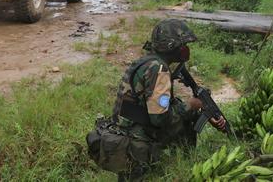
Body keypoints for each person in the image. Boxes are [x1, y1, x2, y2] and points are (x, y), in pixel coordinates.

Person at [87, 19, 226, 181]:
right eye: (182, 45)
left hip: (126, 127)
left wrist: (204, 113)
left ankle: (178, 162)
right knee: (186, 114)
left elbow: (161, 103)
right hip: (134, 139)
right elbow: (160, 119)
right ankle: (181, 162)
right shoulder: (159, 70)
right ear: (171, 47)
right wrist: (191, 105)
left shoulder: (149, 62)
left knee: (186, 112)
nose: (185, 50)